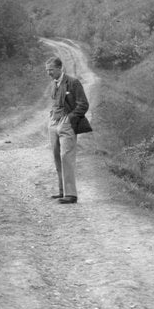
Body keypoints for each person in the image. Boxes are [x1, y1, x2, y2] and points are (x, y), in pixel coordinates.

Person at [45, 56, 92, 204]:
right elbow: (55, 103)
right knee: (57, 157)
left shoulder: (73, 82)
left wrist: (69, 119)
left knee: (66, 157)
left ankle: (71, 195)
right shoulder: (53, 84)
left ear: (60, 68)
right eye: (47, 70)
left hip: (66, 124)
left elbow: (83, 104)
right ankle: (62, 191)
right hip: (54, 123)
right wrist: (52, 117)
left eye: (51, 70)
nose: (49, 73)